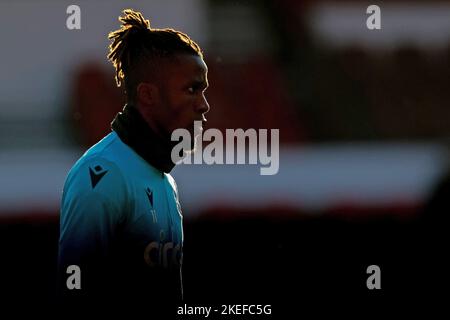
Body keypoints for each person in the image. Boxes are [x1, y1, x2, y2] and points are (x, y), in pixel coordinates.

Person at [57, 9, 210, 313]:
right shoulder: (103, 174)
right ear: (148, 95)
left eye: (203, 91)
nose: (204, 105)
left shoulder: (165, 181)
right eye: (192, 90)